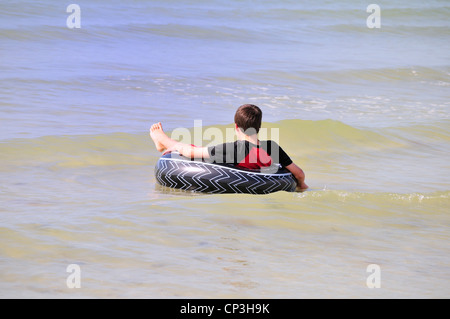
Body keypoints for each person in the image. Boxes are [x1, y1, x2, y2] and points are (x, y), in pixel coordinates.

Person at [150, 104, 308, 191]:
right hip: (262, 177)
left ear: (236, 126)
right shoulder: (272, 147)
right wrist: (301, 185)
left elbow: (190, 153)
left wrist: (168, 141)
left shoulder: (235, 149)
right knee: (203, 152)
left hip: (235, 175)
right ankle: (164, 143)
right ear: (259, 126)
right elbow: (299, 173)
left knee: (192, 150)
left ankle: (162, 140)